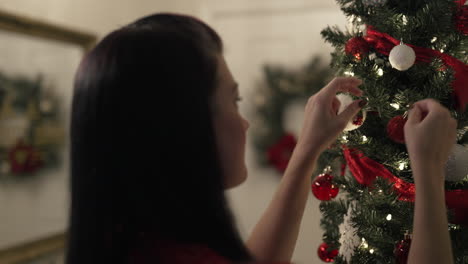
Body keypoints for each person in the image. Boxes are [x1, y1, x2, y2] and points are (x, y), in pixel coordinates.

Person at [66, 13, 455, 264]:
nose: (245, 123)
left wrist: (308, 148)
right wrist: (429, 168)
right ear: (181, 126)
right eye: (233, 101)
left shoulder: (135, 242)